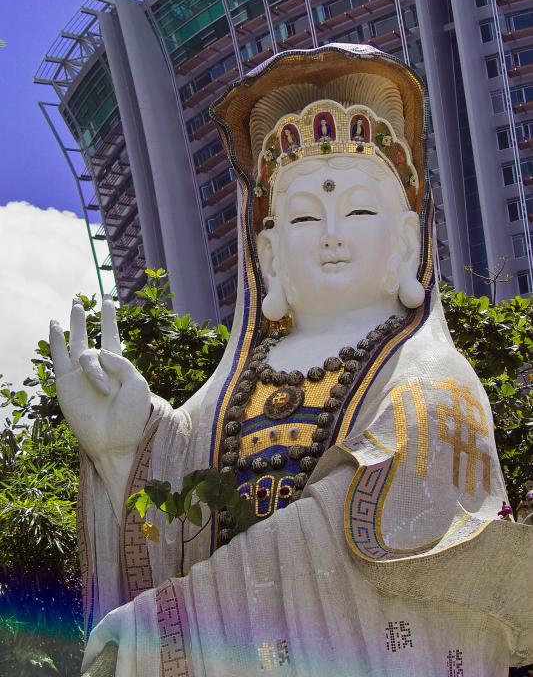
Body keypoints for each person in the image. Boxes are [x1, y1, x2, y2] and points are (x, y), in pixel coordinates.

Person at [50, 44, 533, 677]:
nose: (332, 232)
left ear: (407, 240)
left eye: (359, 210)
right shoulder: (226, 399)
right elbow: (179, 519)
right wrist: (127, 448)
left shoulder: (432, 380)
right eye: (305, 216)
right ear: (269, 256)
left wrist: (170, 622)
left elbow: (363, 527)